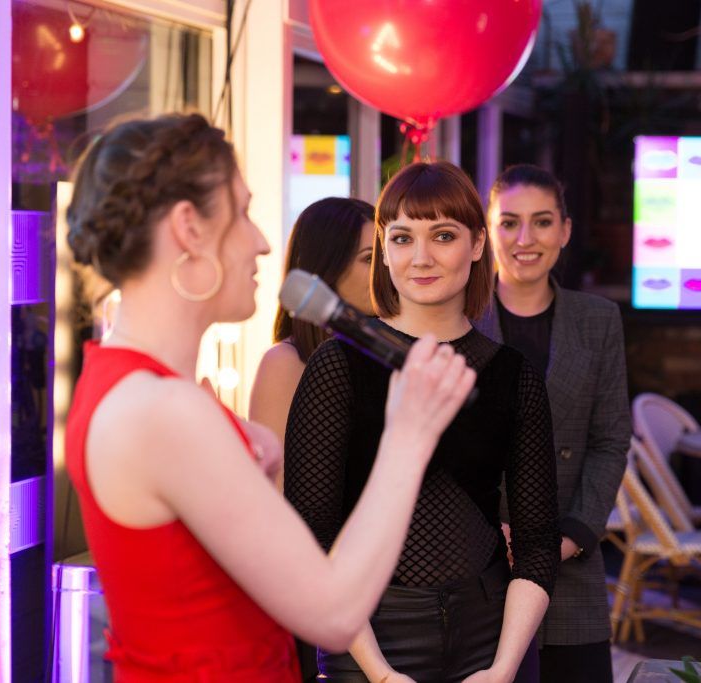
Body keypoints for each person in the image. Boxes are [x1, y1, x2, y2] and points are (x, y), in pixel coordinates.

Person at [63, 114, 476, 682]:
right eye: (242, 212)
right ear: (189, 228)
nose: (260, 243)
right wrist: (411, 432)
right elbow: (331, 613)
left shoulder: (136, 387)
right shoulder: (162, 410)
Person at [284, 161, 561, 683]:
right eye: (403, 238)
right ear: (384, 250)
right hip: (365, 636)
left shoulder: (511, 374)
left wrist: (504, 668)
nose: (422, 257)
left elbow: (537, 541)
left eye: (443, 235)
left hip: (493, 632)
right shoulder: (339, 365)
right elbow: (308, 537)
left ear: (478, 244)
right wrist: (381, 674)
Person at [477, 164, 631, 683]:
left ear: (564, 231)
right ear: (487, 231)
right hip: (478, 565)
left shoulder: (598, 320)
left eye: (542, 222)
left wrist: (567, 537)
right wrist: (482, 530)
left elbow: (610, 441)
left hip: (571, 563)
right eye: (509, 222)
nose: (525, 239)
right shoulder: (456, 318)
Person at [250, 197, 375, 483]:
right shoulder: (285, 363)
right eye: (369, 259)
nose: (385, 271)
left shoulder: (383, 350)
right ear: (327, 268)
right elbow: (274, 493)